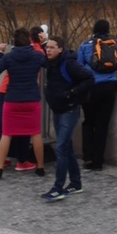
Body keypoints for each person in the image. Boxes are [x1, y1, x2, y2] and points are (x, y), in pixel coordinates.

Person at [0, 28, 48, 177]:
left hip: (12, 99)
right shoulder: (36, 56)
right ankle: (40, 167)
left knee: (6, 134)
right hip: (32, 100)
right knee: (36, 133)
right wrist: (45, 43)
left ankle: (0, 168)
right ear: (29, 40)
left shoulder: (8, 58)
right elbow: (49, 62)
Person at [41, 35, 93, 200]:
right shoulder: (51, 62)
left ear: (60, 49)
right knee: (67, 147)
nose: (47, 50)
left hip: (69, 111)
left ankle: (58, 188)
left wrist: (72, 93)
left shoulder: (69, 63)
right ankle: (76, 183)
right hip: (58, 110)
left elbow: (89, 79)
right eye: (47, 47)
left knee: (61, 148)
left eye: (51, 48)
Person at [76, 19, 117, 172]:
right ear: (108, 30)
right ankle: (99, 161)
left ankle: (88, 158)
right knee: (102, 125)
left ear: (94, 29)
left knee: (89, 122)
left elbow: (79, 66)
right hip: (110, 85)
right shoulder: (115, 44)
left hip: (92, 86)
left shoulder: (85, 45)